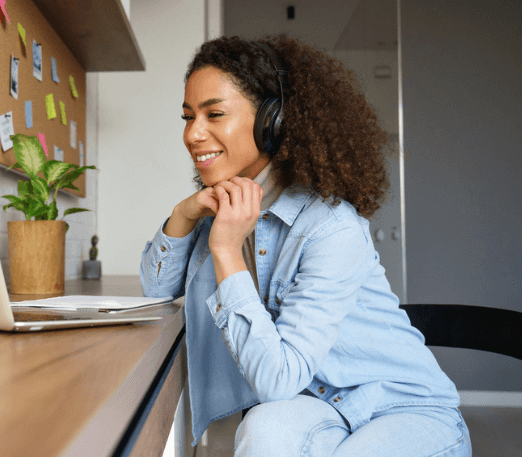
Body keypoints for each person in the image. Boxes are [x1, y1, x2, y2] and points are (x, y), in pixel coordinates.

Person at [140, 35, 472, 456]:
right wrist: (183, 216)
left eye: (214, 114)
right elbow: (155, 293)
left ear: (272, 120)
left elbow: (277, 379)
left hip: (404, 410)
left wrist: (226, 252)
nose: (193, 134)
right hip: (320, 409)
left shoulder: (331, 228)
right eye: (188, 117)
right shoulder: (225, 210)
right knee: (265, 431)